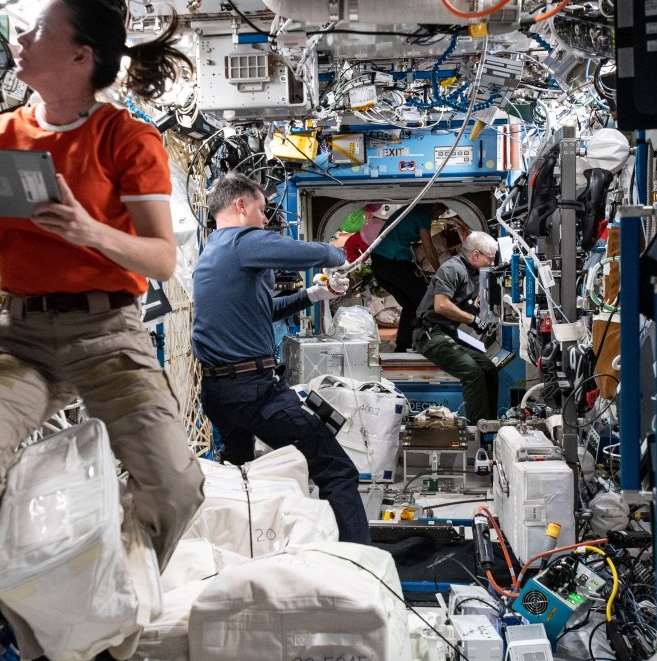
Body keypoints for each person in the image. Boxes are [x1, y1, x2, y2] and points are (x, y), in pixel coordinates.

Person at [0, 0, 204, 661]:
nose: (18, 38)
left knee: (177, 485)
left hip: (108, 332)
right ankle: (41, 636)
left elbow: (161, 259)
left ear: (80, 55)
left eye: (36, 29)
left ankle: (114, 600)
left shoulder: (126, 140)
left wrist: (86, 229)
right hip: (22, 338)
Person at [192, 172, 372, 544]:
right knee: (337, 471)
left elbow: (263, 311)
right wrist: (340, 254)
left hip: (220, 394)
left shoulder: (212, 251)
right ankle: (361, 564)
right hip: (253, 392)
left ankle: (241, 553)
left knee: (239, 478)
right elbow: (309, 252)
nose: (265, 220)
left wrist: (314, 294)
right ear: (240, 205)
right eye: (261, 211)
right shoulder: (242, 241)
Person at [412, 232, 501, 423]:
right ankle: (478, 428)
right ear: (475, 255)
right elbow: (441, 305)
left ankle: (491, 424)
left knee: (488, 368)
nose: (492, 264)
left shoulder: (474, 273)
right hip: (430, 333)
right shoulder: (452, 269)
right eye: (490, 259)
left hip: (448, 332)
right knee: (472, 372)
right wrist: (472, 319)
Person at [370, 201, 447, 352]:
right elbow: (429, 247)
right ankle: (428, 341)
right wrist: (440, 272)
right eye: (440, 213)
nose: (437, 218)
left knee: (410, 303)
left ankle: (403, 345)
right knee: (424, 298)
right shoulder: (423, 213)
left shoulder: (413, 210)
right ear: (435, 206)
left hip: (380, 263)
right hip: (392, 261)